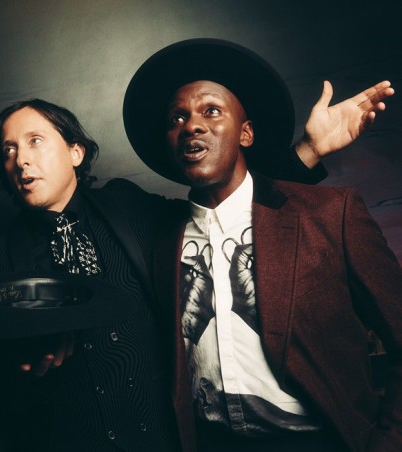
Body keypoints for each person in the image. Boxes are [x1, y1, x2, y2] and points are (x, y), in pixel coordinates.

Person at [0, 60, 393, 450]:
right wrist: (23, 361)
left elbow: (239, 203)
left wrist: (308, 150)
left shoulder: (132, 211)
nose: (21, 160)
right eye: (8, 151)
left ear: (75, 152)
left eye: (35, 141)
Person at [122, 38, 402, 452]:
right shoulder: (160, 239)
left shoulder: (331, 214)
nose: (191, 125)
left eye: (211, 111)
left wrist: (389, 440)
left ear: (246, 133)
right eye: (177, 118)